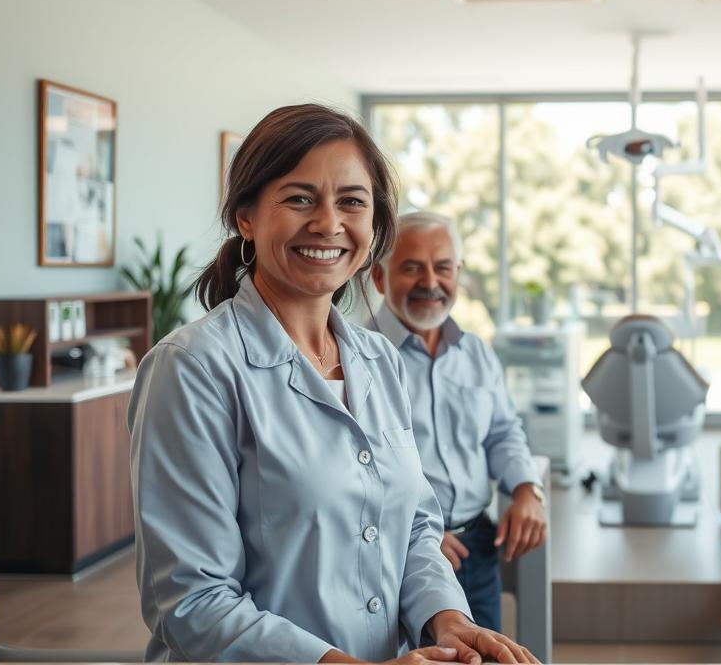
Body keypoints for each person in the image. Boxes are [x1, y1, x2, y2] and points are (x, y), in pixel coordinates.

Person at [128, 104, 538, 665]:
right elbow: (191, 602)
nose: (328, 223)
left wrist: (445, 619)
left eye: (352, 201)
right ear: (246, 217)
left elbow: (416, 525)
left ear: (373, 229)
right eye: (299, 198)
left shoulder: (377, 360)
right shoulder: (193, 367)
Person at [368, 211, 547, 633]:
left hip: (477, 549)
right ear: (379, 277)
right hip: (401, 558)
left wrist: (526, 488)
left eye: (443, 267)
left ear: (458, 274)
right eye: (412, 268)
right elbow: (355, 468)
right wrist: (411, 534)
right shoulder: (360, 358)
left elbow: (503, 431)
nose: (430, 282)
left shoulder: (477, 354)